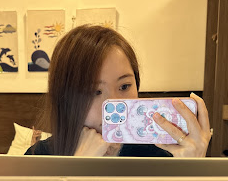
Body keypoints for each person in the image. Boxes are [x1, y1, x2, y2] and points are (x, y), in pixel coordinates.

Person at [25, 25, 211, 157]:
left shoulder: (164, 153)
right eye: (94, 92)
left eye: (124, 86)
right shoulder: (39, 159)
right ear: (65, 98)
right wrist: (79, 170)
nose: (115, 105)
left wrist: (192, 172)